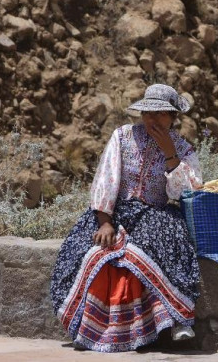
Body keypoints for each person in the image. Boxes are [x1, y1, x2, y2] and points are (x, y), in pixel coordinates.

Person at [50, 84, 203, 352]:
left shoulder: (183, 148)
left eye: (159, 114)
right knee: (98, 253)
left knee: (144, 252)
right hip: (115, 211)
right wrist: (105, 220)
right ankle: (87, 329)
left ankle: (177, 320)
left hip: (156, 213)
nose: (152, 120)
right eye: (147, 113)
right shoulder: (122, 137)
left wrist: (170, 154)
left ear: (172, 116)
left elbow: (186, 192)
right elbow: (106, 178)